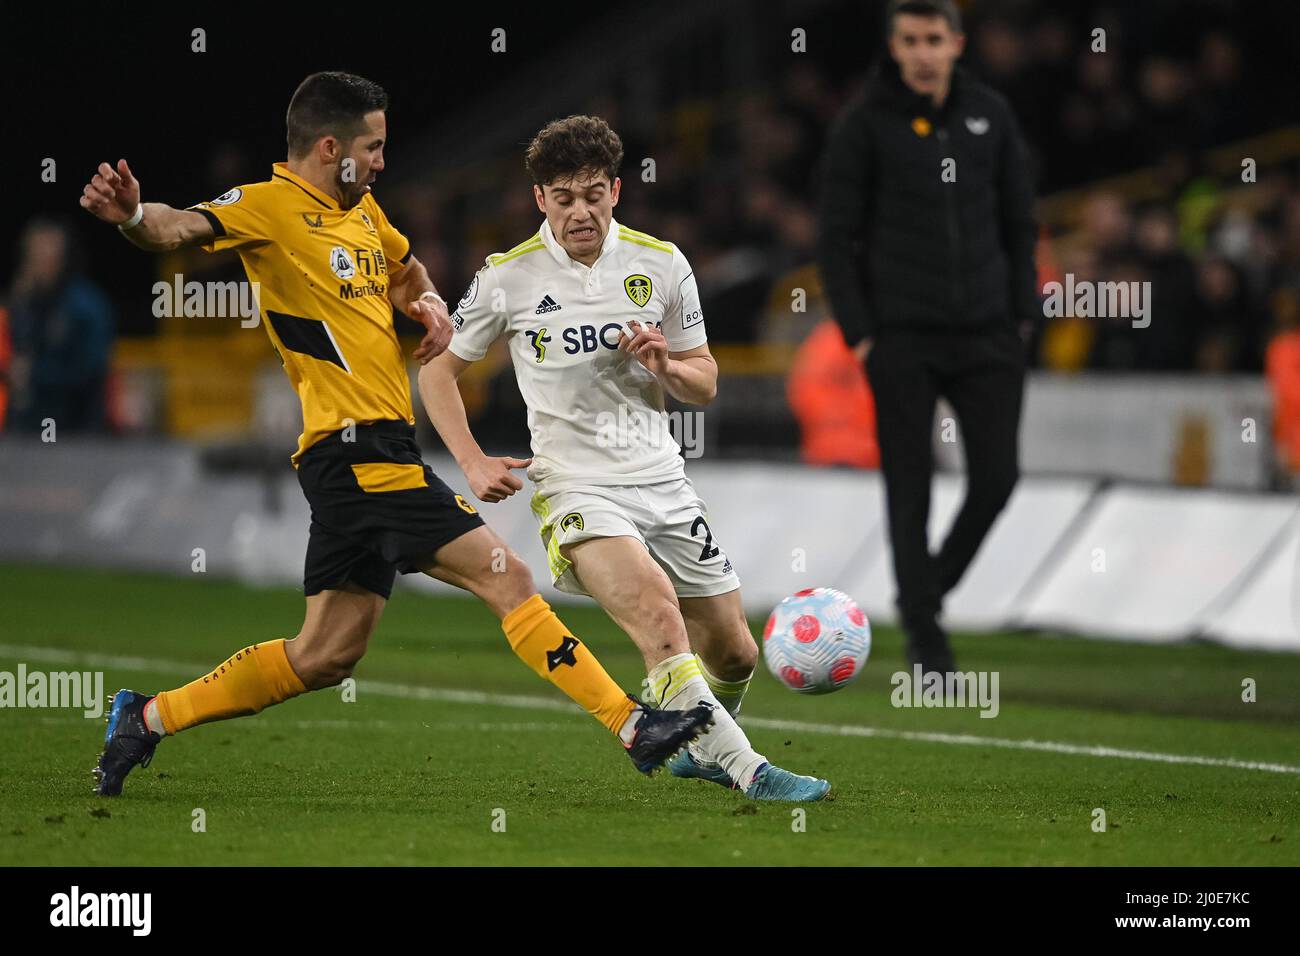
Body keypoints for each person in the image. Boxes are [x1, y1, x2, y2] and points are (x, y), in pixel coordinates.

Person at [77, 72, 711, 797]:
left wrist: (433, 307)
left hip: (373, 453)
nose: (383, 160)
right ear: (329, 147)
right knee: (506, 576)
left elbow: (407, 275)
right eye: (373, 147)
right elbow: (175, 224)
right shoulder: (269, 207)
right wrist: (132, 218)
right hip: (352, 450)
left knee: (325, 654)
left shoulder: (364, 211)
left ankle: (144, 718)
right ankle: (635, 727)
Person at [419, 115, 830, 801]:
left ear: (616, 190)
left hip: (662, 479)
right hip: (576, 486)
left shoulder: (662, 264)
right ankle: (751, 770)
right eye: (562, 196)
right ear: (539, 200)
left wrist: (666, 364)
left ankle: (698, 745)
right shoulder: (506, 278)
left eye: (591, 194)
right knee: (657, 613)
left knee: (735, 650)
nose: (579, 210)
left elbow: (705, 380)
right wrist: (469, 459)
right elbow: (436, 373)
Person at [816, 0, 1038, 675]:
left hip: (989, 335)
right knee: (909, 488)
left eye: (933, 39)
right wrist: (861, 335)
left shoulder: (990, 116)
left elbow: (1019, 222)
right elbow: (834, 239)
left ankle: (927, 590)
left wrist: (1021, 315)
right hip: (902, 339)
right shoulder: (863, 124)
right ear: (893, 44)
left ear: (957, 43)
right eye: (910, 40)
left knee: (998, 479)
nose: (922, 52)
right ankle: (925, 638)